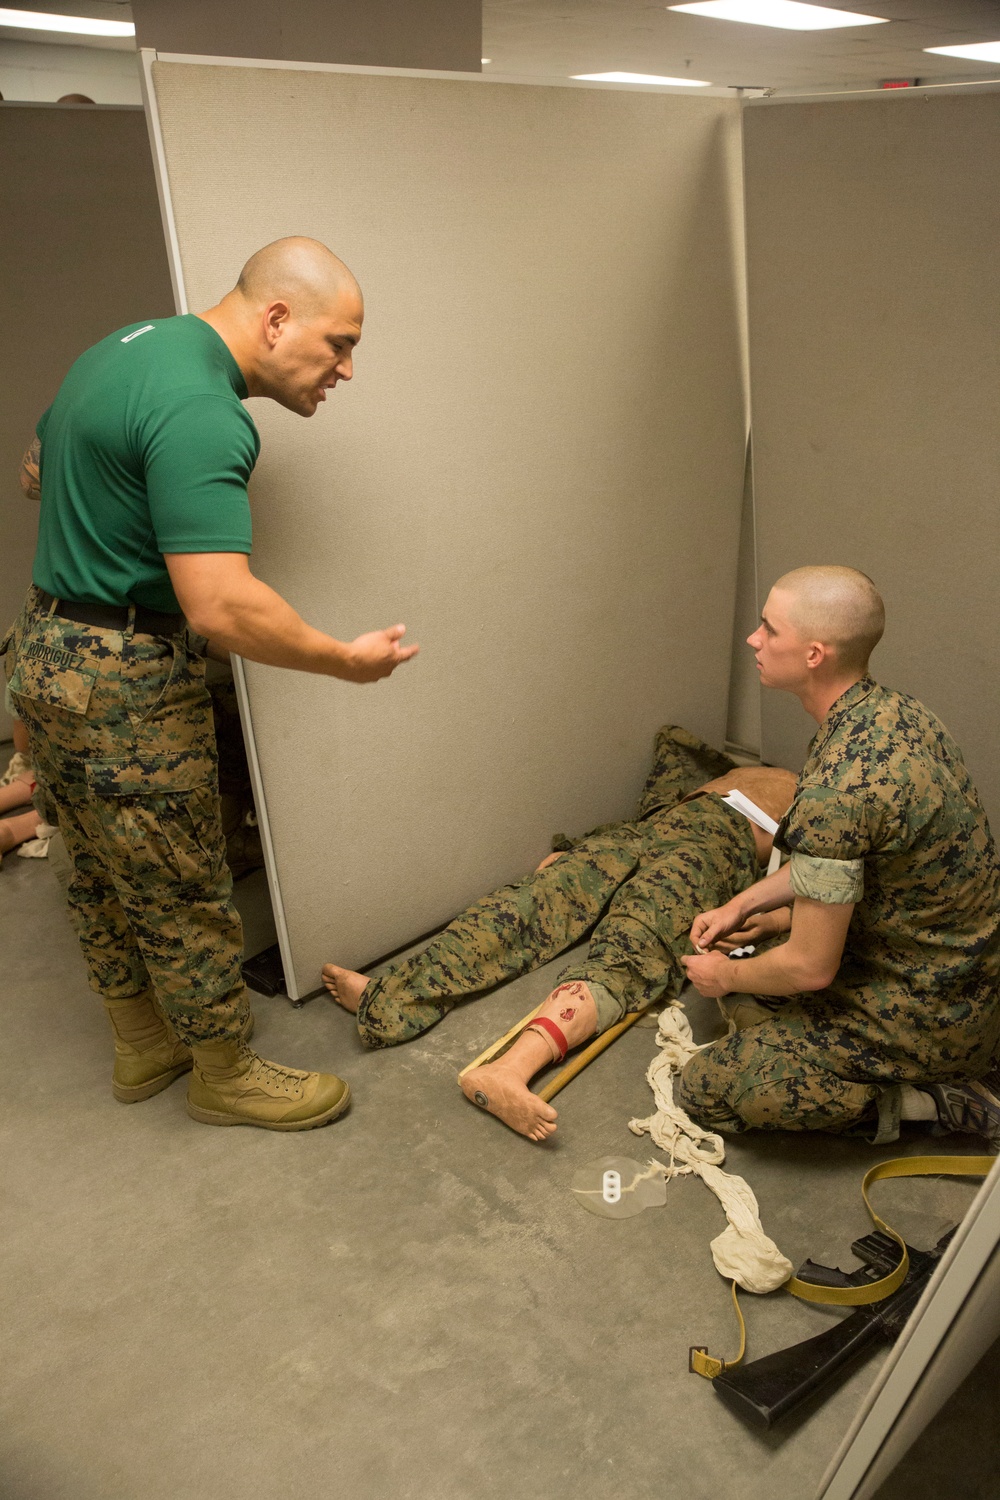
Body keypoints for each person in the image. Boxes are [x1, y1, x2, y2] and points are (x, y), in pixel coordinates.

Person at [3, 236, 418, 1131]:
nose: (345, 369)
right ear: (277, 318)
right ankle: (223, 1074)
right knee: (179, 883)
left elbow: (36, 470)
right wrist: (344, 660)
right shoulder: (203, 408)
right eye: (339, 343)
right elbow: (220, 606)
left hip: (45, 649)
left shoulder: (122, 349)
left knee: (95, 871)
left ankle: (141, 1043)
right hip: (123, 679)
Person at [323, 725, 797, 1140]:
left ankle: (510, 1070)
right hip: (651, 829)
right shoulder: (733, 772)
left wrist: (775, 921)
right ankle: (391, 998)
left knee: (635, 946)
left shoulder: (825, 800)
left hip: (711, 853)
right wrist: (582, 848)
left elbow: (826, 892)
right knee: (528, 902)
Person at [679, 566, 1000, 1147]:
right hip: (964, 972)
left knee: (711, 1086)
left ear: (813, 655)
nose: (753, 639)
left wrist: (724, 976)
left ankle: (933, 1100)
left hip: (929, 1013)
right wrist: (743, 905)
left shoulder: (840, 785)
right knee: (762, 958)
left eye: (769, 629)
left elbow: (810, 969)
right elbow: (843, 861)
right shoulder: (896, 713)